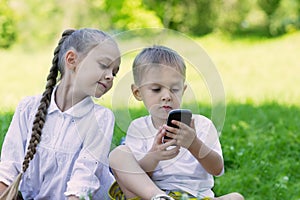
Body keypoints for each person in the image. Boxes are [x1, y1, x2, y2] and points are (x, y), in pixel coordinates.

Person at [109, 45, 244, 200]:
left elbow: (217, 169)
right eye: (156, 89)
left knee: (236, 198)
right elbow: (136, 177)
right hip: (150, 195)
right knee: (118, 155)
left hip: (194, 196)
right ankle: (160, 197)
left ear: (183, 90)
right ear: (137, 93)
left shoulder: (201, 125)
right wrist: (154, 156)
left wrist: (194, 144)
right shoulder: (139, 128)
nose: (167, 96)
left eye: (174, 89)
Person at [0, 28, 121, 199]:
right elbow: (8, 168)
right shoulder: (28, 108)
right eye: (104, 65)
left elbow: (83, 181)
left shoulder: (101, 118)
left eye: (114, 73)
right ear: (72, 60)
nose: (110, 77)